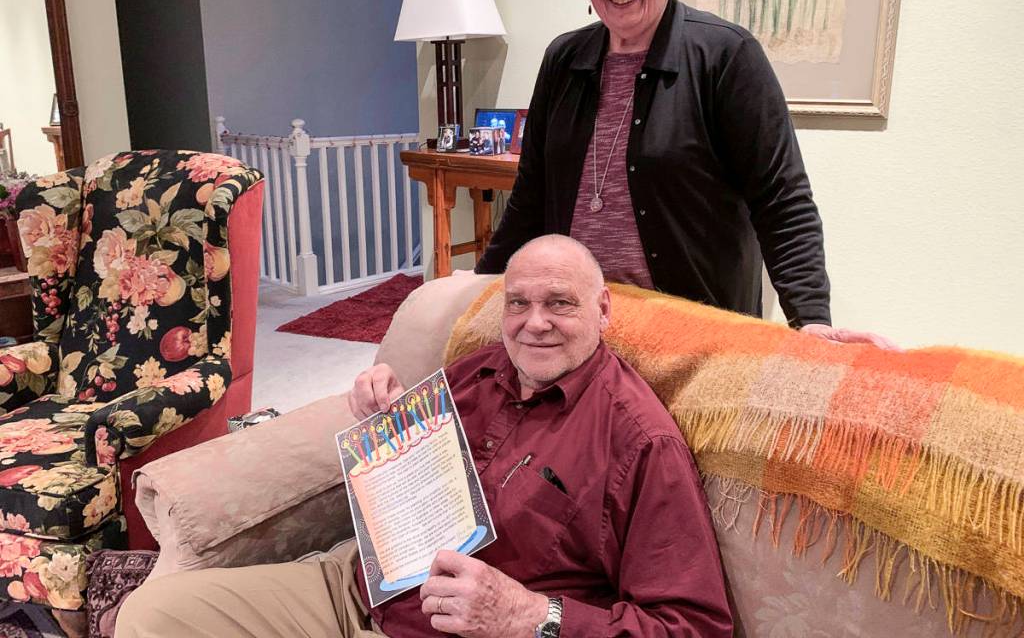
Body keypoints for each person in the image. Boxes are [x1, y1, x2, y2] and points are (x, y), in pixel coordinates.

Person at [116, 235, 733, 637]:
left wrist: (530, 616)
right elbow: (404, 472)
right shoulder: (478, 370)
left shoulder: (639, 440)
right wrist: (375, 411)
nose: (534, 324)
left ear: (602, 311)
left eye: (561, 304)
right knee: (152, 616)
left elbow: (695, 626)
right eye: (518, 303)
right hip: (351, 587)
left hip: (470, 632)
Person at [475, 0, 895, 350]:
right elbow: (532, 195)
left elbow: (781, 198)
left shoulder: (727, 55)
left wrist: (811, 320)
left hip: (692, 330)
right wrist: (478, 290)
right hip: (577, 328)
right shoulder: (563, 59)